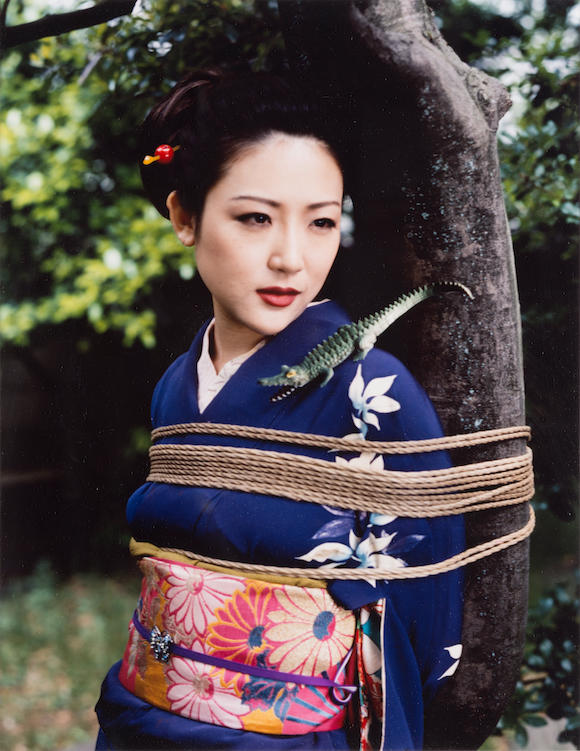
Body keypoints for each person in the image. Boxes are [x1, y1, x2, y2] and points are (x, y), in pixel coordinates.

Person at [95, 68, 464, 750]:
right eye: (255, 217)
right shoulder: (177, 384)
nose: (292, 257)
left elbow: (431, 628)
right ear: (184, 215)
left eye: (321, 221)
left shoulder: (374, 393)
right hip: (139, 720)